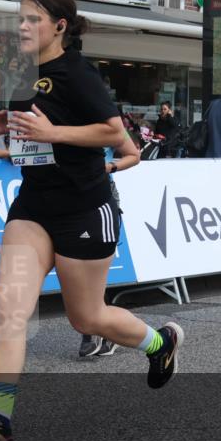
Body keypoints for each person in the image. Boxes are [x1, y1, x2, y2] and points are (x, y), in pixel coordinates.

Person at [0, 0, 184, 441]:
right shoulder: (23, 73)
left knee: (87, 317)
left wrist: (53, 131)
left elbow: (114, 134)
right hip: (33, 207)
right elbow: (38, 131)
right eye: (20, 18)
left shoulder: (78, 73)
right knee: (9, 310)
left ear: (59, 26)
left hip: (84, 207)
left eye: (32, 19)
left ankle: (159, 343)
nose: (22, 26)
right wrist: (12, 125)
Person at [79, 103, 141, 358]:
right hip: (69, 198)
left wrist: (110, 166)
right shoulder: (63, 121)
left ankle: (98, 333)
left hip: (102, 196)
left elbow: (134, 154)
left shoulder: (108, 123)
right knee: (77, 267)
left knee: (93, 269)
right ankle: (93, 331)